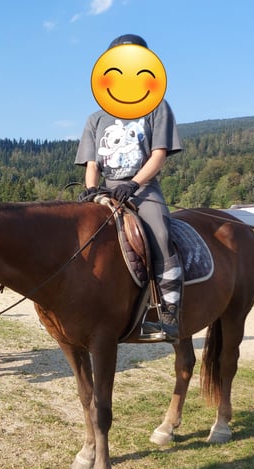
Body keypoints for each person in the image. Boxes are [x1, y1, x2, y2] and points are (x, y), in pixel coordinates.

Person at [75, 34, 183, 340]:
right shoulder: (95, 118)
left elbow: (158, 154)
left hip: (143, 188)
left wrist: (134, 183)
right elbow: (92, 163)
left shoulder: (157, 107)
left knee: (160, 235)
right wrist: (93, 190)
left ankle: (169, 313)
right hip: (106, 190)